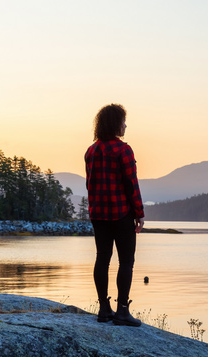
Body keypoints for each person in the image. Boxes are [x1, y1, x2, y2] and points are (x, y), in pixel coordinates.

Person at [85, 103, 145, 327]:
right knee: (126, 262)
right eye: (123, 121)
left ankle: (103, 309)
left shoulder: (91, 151)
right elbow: (131, 184)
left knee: (102, 258)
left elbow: (90, 184)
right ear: (115, 124)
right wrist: (139, 212)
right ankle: (122, 311)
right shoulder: (123, 150)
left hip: (98, 214)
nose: (126, 125)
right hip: (121, 213)